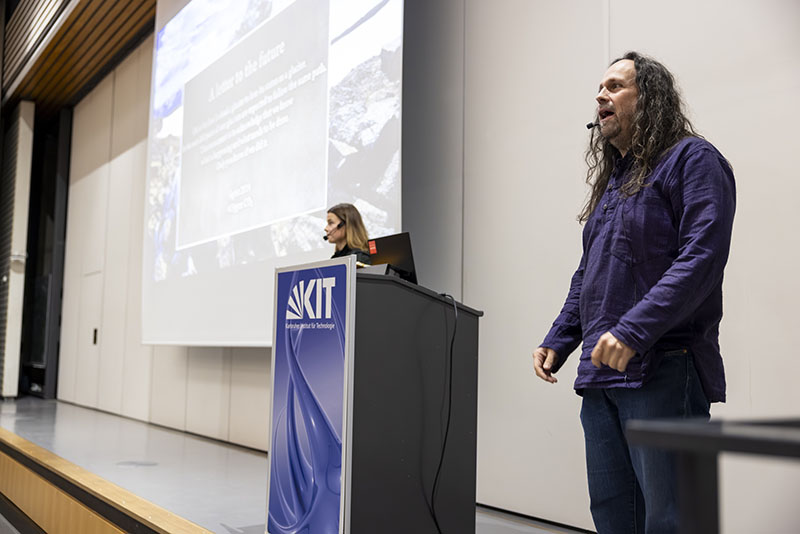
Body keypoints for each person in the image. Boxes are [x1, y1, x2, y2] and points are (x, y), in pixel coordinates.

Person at [532, 52, 736, 534]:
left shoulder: (693, 159)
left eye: (615, 86)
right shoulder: (614, 183)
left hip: (665, 368)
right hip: (602, 377)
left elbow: (701, 259)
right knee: (613, 517)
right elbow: (590, 273)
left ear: (650, 99)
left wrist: (633, 330)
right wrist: (559, 339)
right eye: (599, 89)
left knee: (672, 521)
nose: (601, 95)